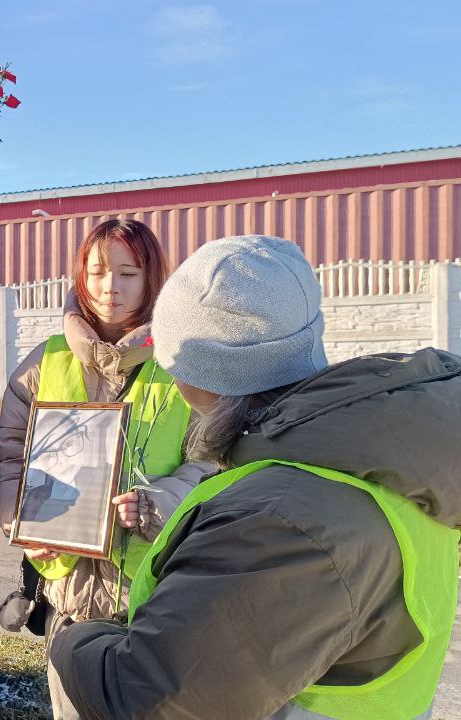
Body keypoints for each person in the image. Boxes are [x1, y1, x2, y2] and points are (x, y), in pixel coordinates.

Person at [50, 235, 461, 719]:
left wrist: (76, 637)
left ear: (201, 374)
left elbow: (143, 698)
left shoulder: (277, 520)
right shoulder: (384, 456)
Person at [0, 219, 211, 719]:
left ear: (152, 277)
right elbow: (11, 455)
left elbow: (208, 462)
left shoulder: (184, 366)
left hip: (152, 596)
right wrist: (22, 523)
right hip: (68, 599)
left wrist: (160, 503)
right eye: (96, 272)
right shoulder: (43, 363)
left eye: (128, 273)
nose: (110, 286)